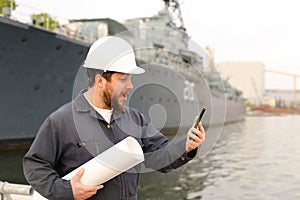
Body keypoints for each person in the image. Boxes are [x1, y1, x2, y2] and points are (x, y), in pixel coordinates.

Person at [23, 36, 206, 200]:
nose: (131, 86)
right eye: (124, 79)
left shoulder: (136, 119)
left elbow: (159, 157)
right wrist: (66, 190)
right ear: (101, 81)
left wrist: (187, 146)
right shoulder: (61, 121)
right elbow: (35, 165)